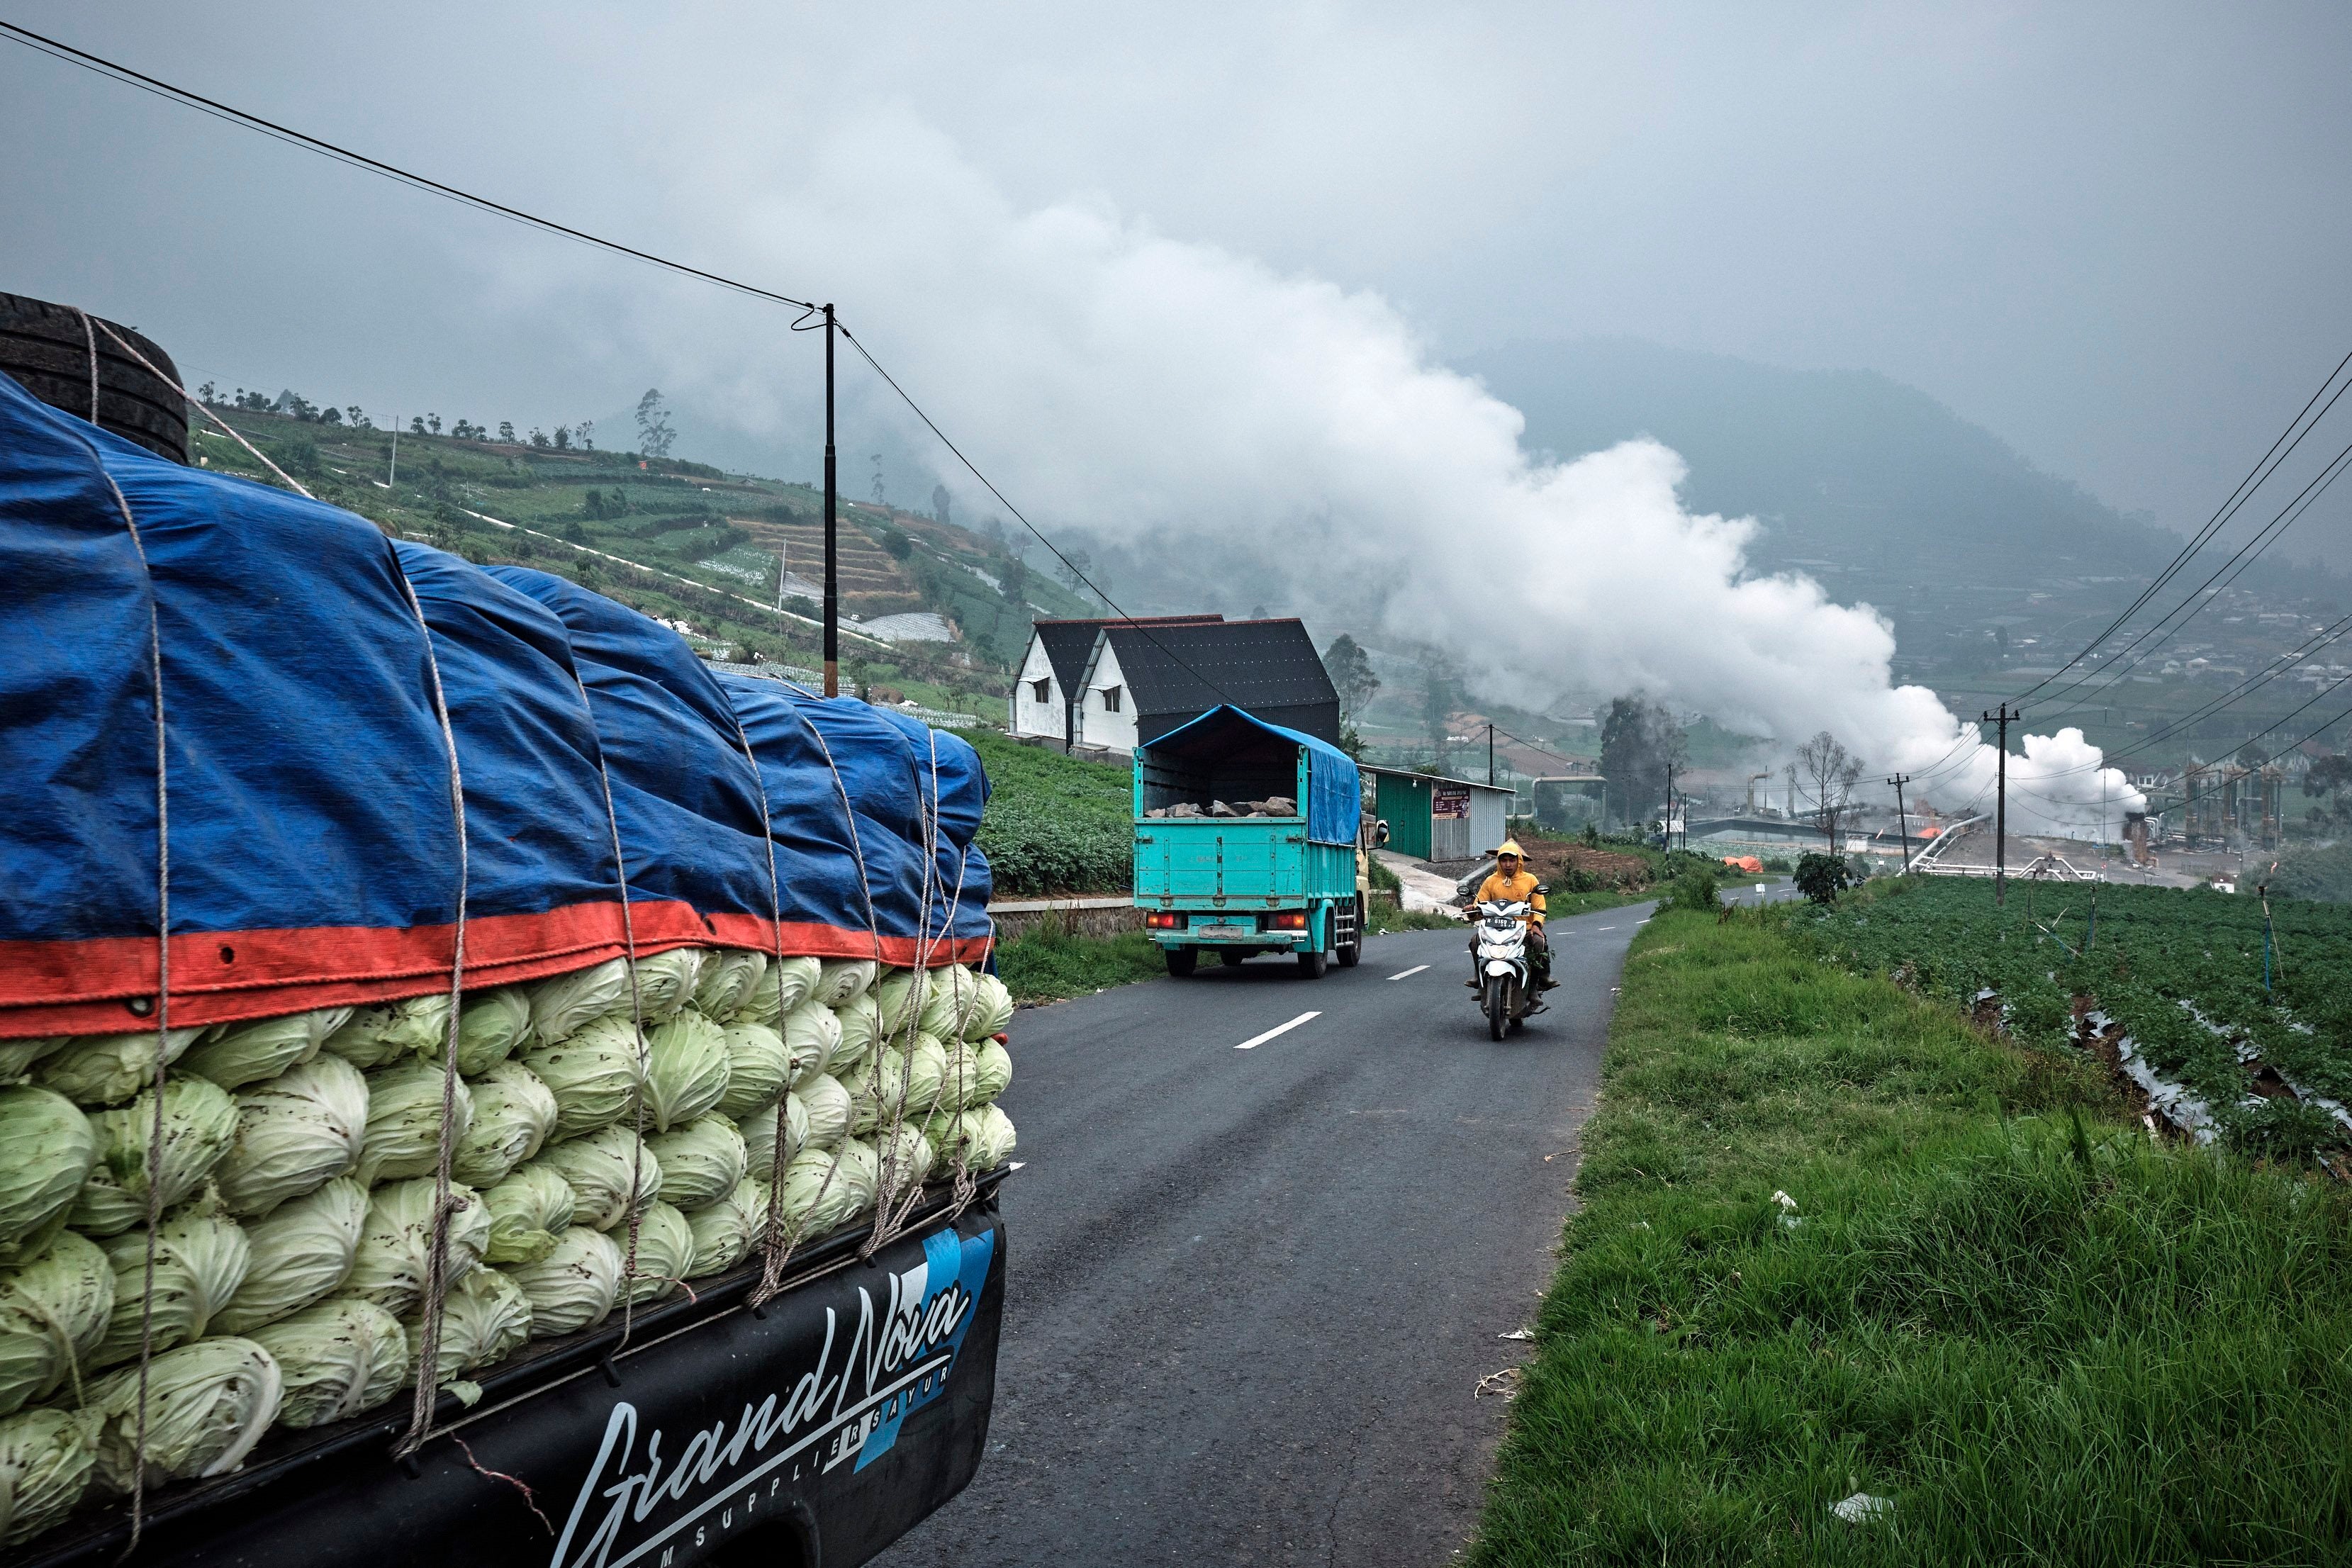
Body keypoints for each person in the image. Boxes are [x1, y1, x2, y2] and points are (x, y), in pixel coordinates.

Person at [1466, 839, 1554, 989]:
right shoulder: (1491, 881)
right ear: (1499, 861)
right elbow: (1479, 904)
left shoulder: (1530, 880)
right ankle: (1479, 980)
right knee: (1475, 941)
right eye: (1504, 860)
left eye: (1512, 860)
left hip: (1524, 929)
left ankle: (1537, 983)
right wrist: (1471, 911)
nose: (1508, 865)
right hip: (1494, 929)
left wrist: (1536, 925)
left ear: (1518, 861)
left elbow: (1540, 906)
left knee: (1539, 943)